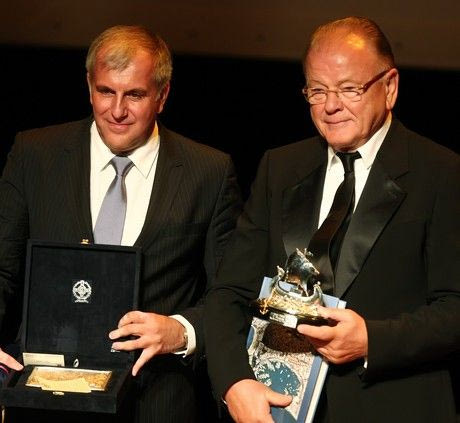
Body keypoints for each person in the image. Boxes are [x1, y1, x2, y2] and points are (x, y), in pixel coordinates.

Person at [204, 16, 460, 423]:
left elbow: (455, 307)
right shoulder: (279, 168)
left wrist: (372, 339)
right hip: (278, 409)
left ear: (389, 87)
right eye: (317, 90)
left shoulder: (441, 173)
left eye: (349, 89)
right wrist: (234, 383)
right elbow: (228, 293)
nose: (330, 105)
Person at [0, 25, 241, 422]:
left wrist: (182, 330)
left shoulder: (208, 172)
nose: (116, 110)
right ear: (89, 86)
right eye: (105, 91)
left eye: (135, 95)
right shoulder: (35, 155)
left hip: (156, 402)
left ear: (162, 95)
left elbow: (229, 293)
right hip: (45, 401)